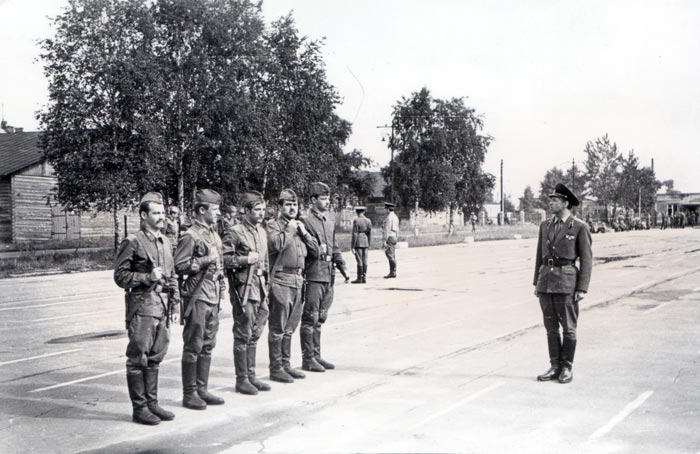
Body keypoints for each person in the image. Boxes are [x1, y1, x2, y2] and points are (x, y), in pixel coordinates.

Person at [114, 192, 180, 425]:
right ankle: (139, 408)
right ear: (144, 215)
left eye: (163, 213)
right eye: (156, 213)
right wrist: (146, 276)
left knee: (156, 356)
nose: (162, 217)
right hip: (141, 306)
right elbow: (120, 277)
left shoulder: (165, 242)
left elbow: (172, 276)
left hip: (162, 306)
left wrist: (175, 304)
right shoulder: (133, 241)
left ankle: (152, 404)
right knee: (138, 357)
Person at [533, 183, 592, 384]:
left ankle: (567, 367)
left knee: (568, 328)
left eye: (555, 200)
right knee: (550, 328)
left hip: (567, 282)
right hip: (546, 282)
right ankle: (554, 365)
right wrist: (536, 283)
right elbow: (539, 256)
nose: (551, 203)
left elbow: (586, 259)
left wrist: (582, 287)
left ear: (566, 203)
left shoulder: (579, 227)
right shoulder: (545, 226)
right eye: (551, 199)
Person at [174, 189, 226, 410]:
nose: (219, 213)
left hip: (212, 295)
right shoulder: (190, 235)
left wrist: (221, 290)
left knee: (208, 344)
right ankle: (190, 394)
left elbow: (220, 265)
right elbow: (180, 266)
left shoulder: (214, 234)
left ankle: (202, 389)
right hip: (197, 296)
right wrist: (205, 260)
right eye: (215, 209)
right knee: (194, 345)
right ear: (202, 210)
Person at [266, 189, 319, 383]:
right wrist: (289, 229)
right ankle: (276, 367)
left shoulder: (299, 227)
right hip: (281, 279)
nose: (292, 208)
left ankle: (286, 365)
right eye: (288, 204)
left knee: (290, 327)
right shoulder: (273, 226)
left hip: (298, 280)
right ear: (280, 207)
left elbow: (315, 251)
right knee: (278, 327)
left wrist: (303, 232)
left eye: (295, 205)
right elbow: (276, 245)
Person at [222, 191, 271, 395]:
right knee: (243, 332)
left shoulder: (261, 231)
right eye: (257, 210)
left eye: (263, 209)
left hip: (260, 286)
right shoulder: (235, 232)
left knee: (256, 331)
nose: (261, 213)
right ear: (246, 211)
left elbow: (265, 260)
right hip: (244, 288)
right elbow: (224, 259)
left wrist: (266, 284)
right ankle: (241, 379)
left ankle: (251, 376)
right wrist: (244, 260)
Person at [299, 182, 349, 372]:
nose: (327, 202)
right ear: (313, 200)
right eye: (323, 198)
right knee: (310, 317)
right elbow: (308, 250)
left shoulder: (329, 221)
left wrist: (342, 265)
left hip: (329, 274)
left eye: (328, 198)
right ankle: (308, 358)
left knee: (320, 317)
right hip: (314, 274)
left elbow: (334, 245)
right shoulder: (306, 221)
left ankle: (316, 356)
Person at [350, 206, 372, 284]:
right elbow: (369, 233)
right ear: (364, 212)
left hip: (358, 241)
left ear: (357, 212)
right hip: (365, 241)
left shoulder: (356, 220)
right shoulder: (368, 220)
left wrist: (352, 246)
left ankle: (359, 278)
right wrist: (368, 243)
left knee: (359, 260)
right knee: (365, 260)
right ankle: (364, 277)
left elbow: (355, 234)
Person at [382, 202, 399, 278]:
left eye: (386, 209)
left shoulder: (389, 217)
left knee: (389, 254)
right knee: (393, 255)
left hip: (390, 237)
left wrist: (384, 240)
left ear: (388, 209)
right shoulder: (395, 217)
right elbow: (397, 229)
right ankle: (393, 271)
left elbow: (387, 229)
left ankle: (393, 272)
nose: (385, 210)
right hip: (394, 236)